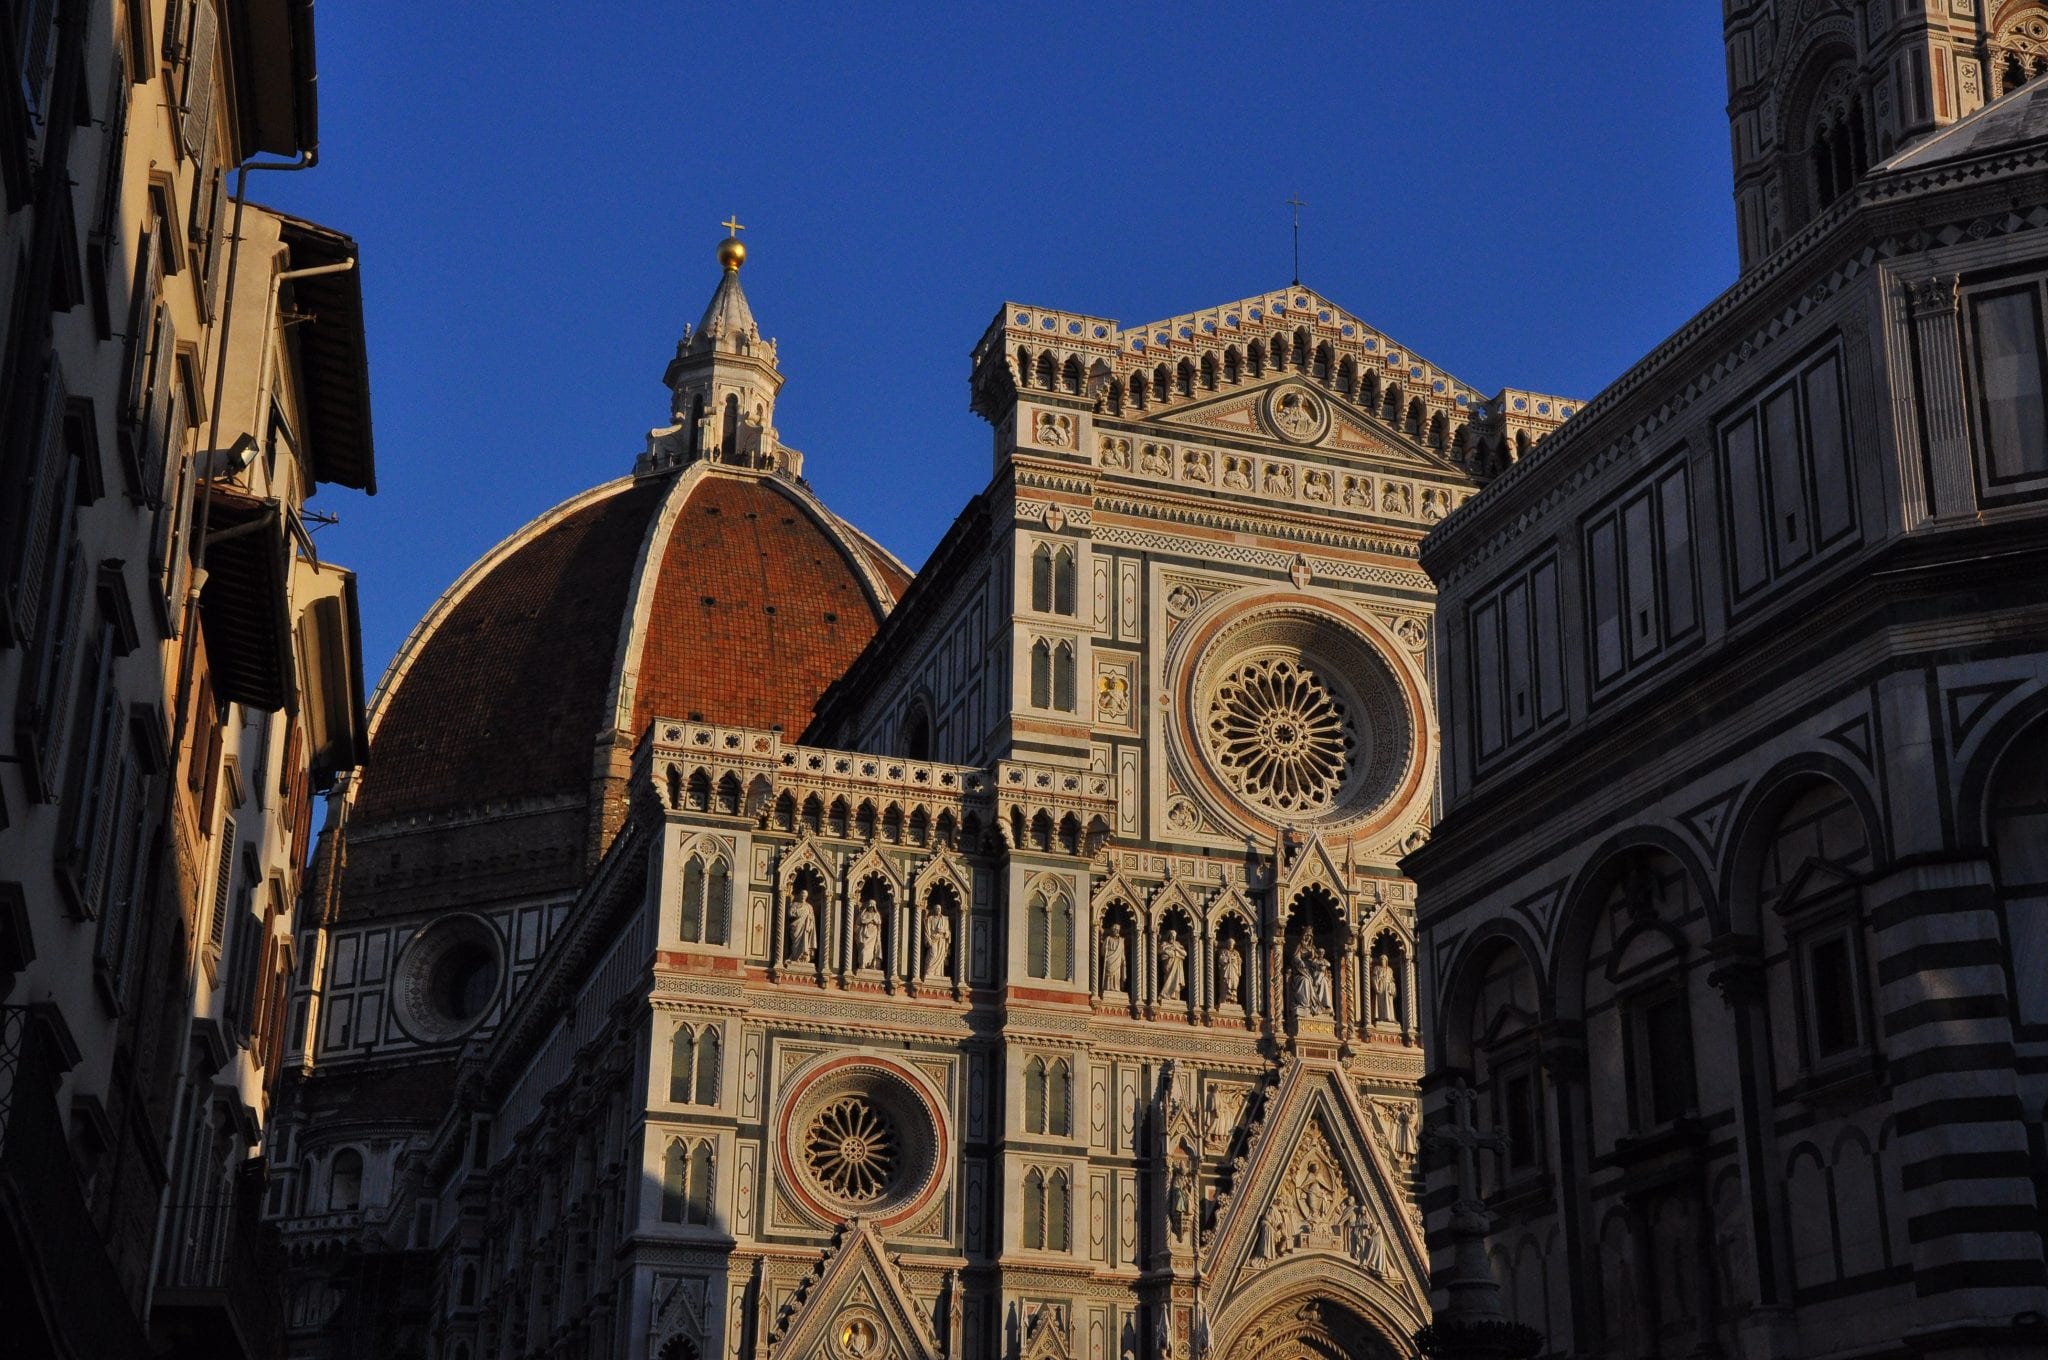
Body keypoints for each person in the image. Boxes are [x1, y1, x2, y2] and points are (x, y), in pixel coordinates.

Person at [787, 888, 817, 963]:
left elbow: (812, 919)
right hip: (796, 926)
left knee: (804, 942)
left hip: (805, 928)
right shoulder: (795, 904)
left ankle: (803, 957)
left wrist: (810, 925)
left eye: (805, 895)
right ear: (799, 895)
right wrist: (798, 912)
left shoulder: (809, 906)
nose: (803, 896)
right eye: (802, 894)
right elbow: (790, 914)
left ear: (807, 896)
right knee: (795, 943)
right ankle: (794, 957)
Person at [922, 907, 951, 981]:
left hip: (941, 940)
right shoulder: (930, 919)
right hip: (933, 940)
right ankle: (928, 972)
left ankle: (937, 974)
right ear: (934, 910)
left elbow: (948, 931)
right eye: (937, 908)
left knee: (940, 957)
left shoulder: (944, 919)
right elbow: (927, 930)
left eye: (939, 908)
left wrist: (944, 932)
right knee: (933, 954)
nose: (938, 910)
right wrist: (928, 940)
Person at [1159, 931, 1188, 1001]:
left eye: (1174, 936)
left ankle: (1174, 997)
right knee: (1168, 978)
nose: (1172, 938)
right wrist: (1168, 951)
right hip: (1168, 965)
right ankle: (1165, 995)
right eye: (1171, 936)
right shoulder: (1164, 944)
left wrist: (1176, 948)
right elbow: (1159, 951)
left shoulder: (1177, 944)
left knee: (1177, 984)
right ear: (1168, 936)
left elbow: (1185, 954)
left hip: (1177, 965)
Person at [856, 897, 882, 970]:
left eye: (872, 906)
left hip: (873, 934)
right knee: (864, 948)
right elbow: (862, 921)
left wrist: (874, 921)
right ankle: (862, 964)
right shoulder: (864, 914)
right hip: (865, 934)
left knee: (873, 950)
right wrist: (870, 920)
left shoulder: (877, 915)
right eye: (870, 906)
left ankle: (871, 964)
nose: (871, 907)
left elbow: (879, 922)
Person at [1217, 937, 1243, 1007]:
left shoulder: (1236, 953)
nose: (1230, 945)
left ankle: (1233, 1000)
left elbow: (1239, 962)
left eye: (1232, 944)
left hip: (1234, 972)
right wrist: (1228, 959)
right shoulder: (1223, 951)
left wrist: (1238, 964)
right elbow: (1221, 960)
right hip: (1226, 971)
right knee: (1225, 984)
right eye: (1229, 943)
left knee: (1234, 985)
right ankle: (1225, 999)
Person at [1104, 923, 1128, 993]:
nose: (1116, 931)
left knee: (1117, 974)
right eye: (1115, 929)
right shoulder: (1108, 939)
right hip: (1109, 958)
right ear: (1112, 930)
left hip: (1118, 959)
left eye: (1118, 930)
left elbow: (1122, 951)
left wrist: (1123, 960)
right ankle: (1108, 987)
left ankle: (1116, 987)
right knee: (1109, 975)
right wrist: (1105, 950)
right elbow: (1103, 951)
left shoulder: (1121, 940)